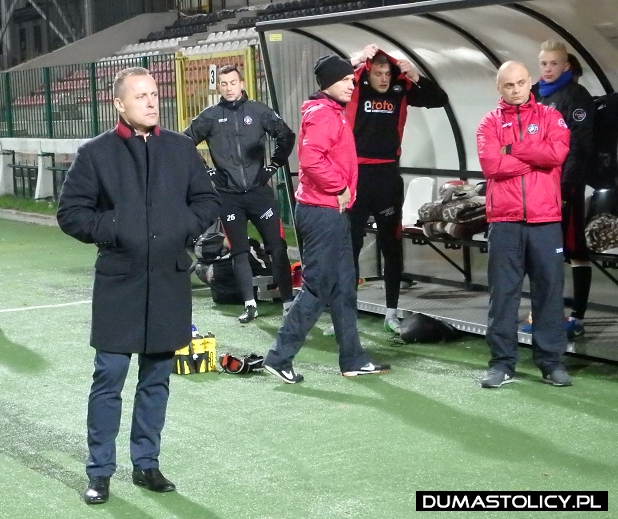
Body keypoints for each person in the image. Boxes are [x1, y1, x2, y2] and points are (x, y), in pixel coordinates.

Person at [57, 67, 220, 504]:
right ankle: (100, 472)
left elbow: (207, 201)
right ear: (119, 104)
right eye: (141, 96)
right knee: (109, 377)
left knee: (157, 377)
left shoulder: (181, 149)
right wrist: (117, 228)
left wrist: (179, 226)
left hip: (168, 280)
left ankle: (146, 464)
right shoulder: (95, 153)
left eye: (154, 94)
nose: (151, 102)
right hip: (119, 283)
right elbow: (71, 214)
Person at [262, 55, 390, 383]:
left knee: (344, 286)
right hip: (322, 213)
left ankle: (353, 359)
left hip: (332, 212)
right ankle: (279, 357)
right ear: (329, 83)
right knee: (317, 287)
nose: (352, 84)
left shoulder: (331, 110)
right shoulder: (323, 114)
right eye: (346, 80)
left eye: (352, 79)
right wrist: (340, 187)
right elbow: (311, 160)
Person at [477, 61, 572, 388]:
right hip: (504, 222)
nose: (516, 90)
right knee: (503, 295)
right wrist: (535, 159)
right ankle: (501, 364)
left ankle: (551, 363)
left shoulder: (550, 117)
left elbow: (556, 154)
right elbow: (491, 165)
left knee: (549, 293)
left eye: (520, 83)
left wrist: (513, 150)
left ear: (530, 82)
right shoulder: (489, 123)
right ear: (499, 88)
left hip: (546, 220)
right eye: (509, 85)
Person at [344, 44, 448, 334]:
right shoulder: (354, 85)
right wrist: (355, 59)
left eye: (387, 74)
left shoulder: (401, 88)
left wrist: (415, 75)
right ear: (368, 72)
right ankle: (347, 314)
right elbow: (327, 79)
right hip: (357, 176)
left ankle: (391, 311)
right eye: (377, 73)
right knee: (350, 247)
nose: (383, 79)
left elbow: (439, 99)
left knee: (391, 245)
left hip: (388, 176)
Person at [184, 65, 296, 324]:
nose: (229, 88)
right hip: (229, 197)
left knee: (277, 247)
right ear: (219, 87)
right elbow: (184, 143)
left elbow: (286, 136)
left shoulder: (258, 111)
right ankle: (249, 304)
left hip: (259, 194)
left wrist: (273, 166)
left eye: (233, 82)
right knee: (239, 250)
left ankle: (288, 302)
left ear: (242, 83)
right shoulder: (210, 116)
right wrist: (208, 172)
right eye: (224, 84)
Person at [529, 40, 595, 340]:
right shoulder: (533, 93)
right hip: (537, 184)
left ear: (566, 66)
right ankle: (546, 312)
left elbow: (579, 145)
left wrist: (566, 185)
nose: (548, 69)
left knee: (573, 248)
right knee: (542, 250)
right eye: (544, 63)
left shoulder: (576, 96)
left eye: (554, 64)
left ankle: (577, 316)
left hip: (565, 185)